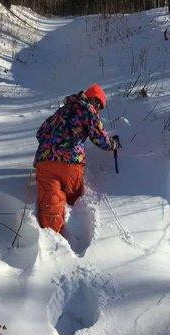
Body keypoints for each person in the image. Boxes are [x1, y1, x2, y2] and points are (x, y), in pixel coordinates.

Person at [33, 83, 120, 234]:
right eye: (99, 106)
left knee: (51, 201)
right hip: (71, 163)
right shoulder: (89, 110)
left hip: (45, 161)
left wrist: (53, 143)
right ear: (96, 101)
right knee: (74, 200)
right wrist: (114, 143)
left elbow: (40, 133)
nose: (98, 110)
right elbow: (101, 140)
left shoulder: (62, 110)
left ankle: (53, 236)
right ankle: (76, 229)